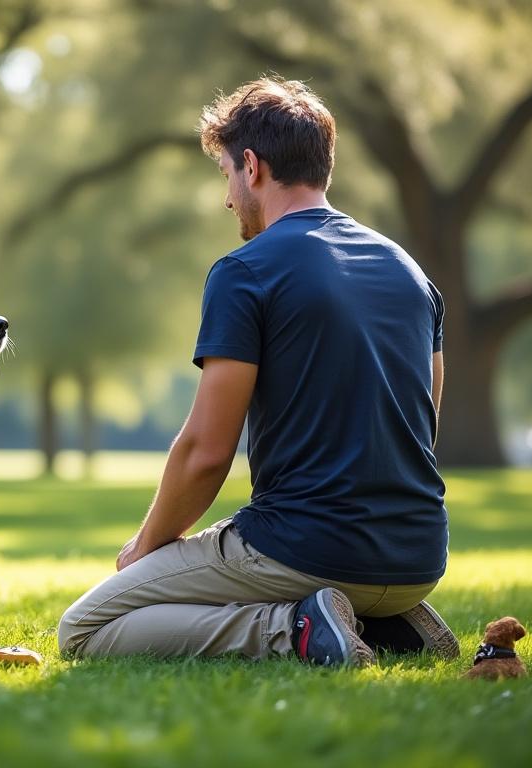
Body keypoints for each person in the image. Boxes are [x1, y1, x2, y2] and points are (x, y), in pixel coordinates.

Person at [57, 77, 458, 666]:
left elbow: (206, 451)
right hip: (418, 558)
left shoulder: (246, 271)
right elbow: (423, 427)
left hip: (305, 550)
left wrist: (144, 547)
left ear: (252, 166)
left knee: (85, 629)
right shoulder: (411, 273)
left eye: (224, 174)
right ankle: (391, 628)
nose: (226, 198)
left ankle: (294, 629)